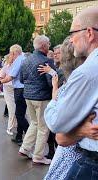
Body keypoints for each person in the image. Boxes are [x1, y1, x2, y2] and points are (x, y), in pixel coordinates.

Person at [44, 7, 98, 179]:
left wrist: (54, 101)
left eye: (73, 32)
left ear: (89, 33)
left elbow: (57, 123)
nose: (71, 40)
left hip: (91, 162)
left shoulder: (87, 72)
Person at [43, 37, 87, 180]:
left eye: (58, 53)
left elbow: (61, 136)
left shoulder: (71, 82)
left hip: (73, 156)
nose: (56, 55)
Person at [18, 35, 55, 165]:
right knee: (43, 127)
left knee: (34, 123)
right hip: (42, 97)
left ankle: (25, 148)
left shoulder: (25, 60)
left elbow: (22, 80)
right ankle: (38, 156)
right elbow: (51, 83)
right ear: (44, 46)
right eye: (49, 44)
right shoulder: (47, 61)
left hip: (28, 96)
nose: (49, 46)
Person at [0, 44, 29, 145]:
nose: (11, 55)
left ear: (14, 53)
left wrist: (0, 82)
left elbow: (11, 76)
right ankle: (19, 136)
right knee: (21, 114)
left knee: (19, 115)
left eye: (11, 53)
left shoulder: (19, 60)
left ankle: (28, 136)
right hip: (23, 88)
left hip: (20, 89)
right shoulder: (25, 58)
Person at [0, 54, 17, 136]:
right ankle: (9, 128)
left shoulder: (16, 66)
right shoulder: (5, 67)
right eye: (12, 58)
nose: (13, 59)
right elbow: (1, 78)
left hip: (16, 90)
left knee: (19, 110)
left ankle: (17, 125)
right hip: (8, 90)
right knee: (12, 110)